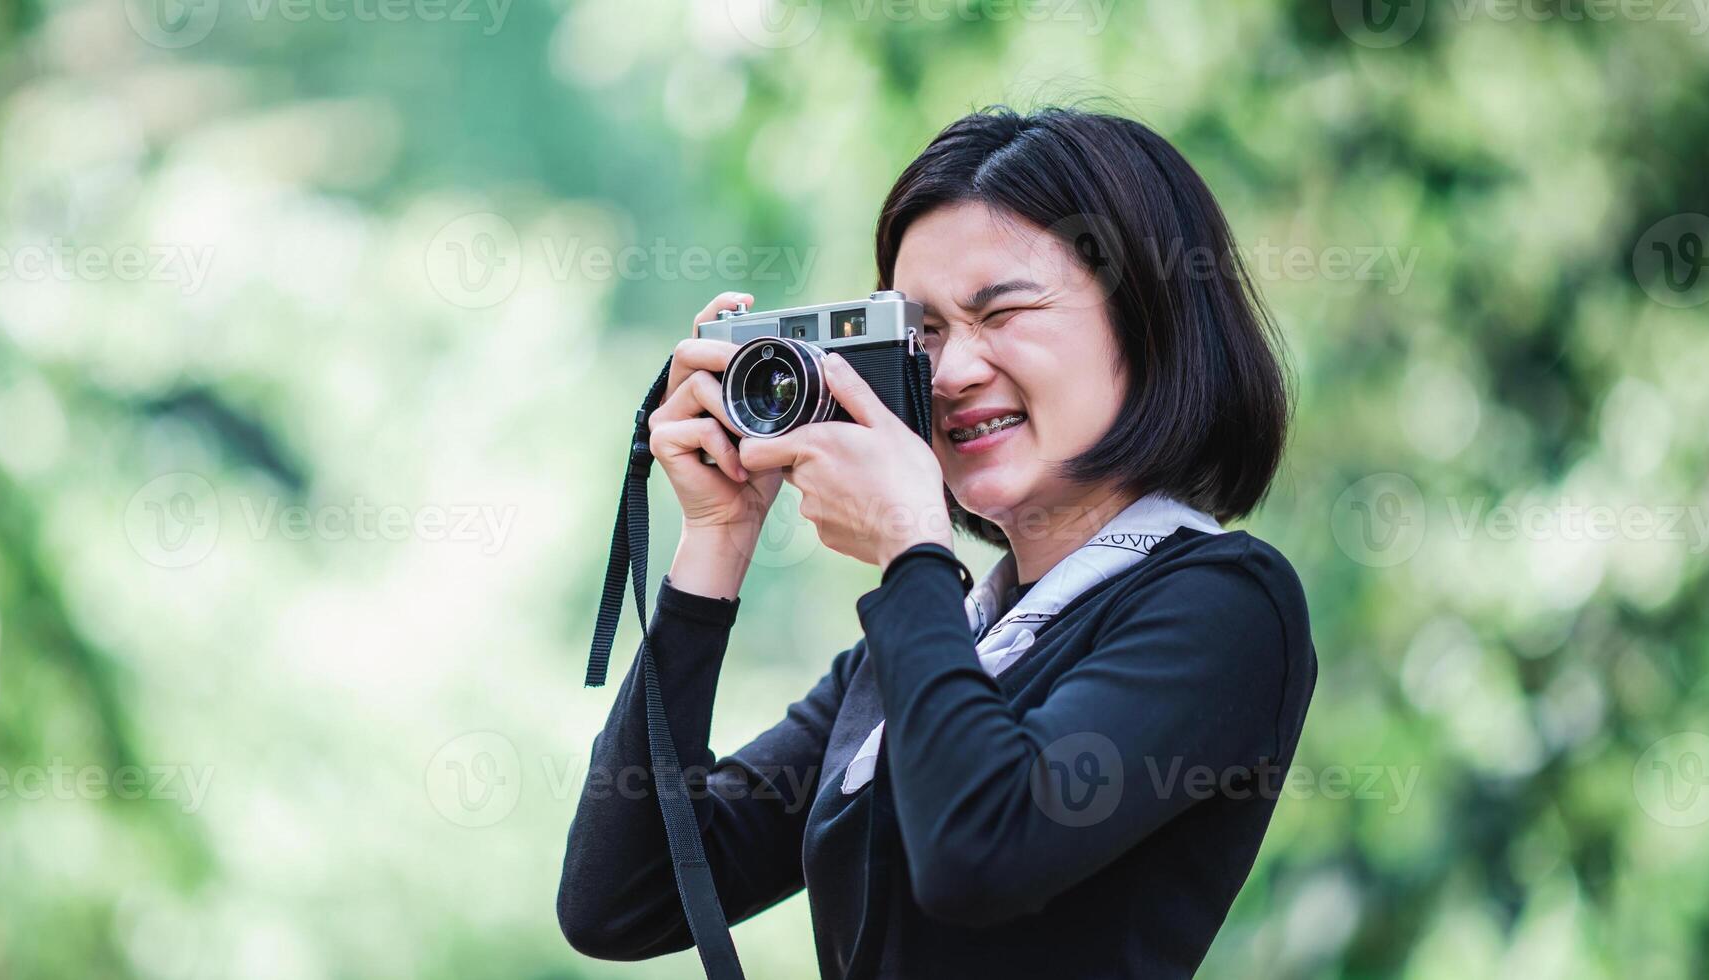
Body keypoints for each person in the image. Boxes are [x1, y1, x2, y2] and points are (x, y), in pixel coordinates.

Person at [558, 106, 1318, 979]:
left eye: (1003, 313)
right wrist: (716, 544)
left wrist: (910, 549)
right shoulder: (933, 643)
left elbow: (981, 850)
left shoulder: (1221, 601)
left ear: (1147, 323)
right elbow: (622, 899)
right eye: (924, 333)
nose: (952, 373)